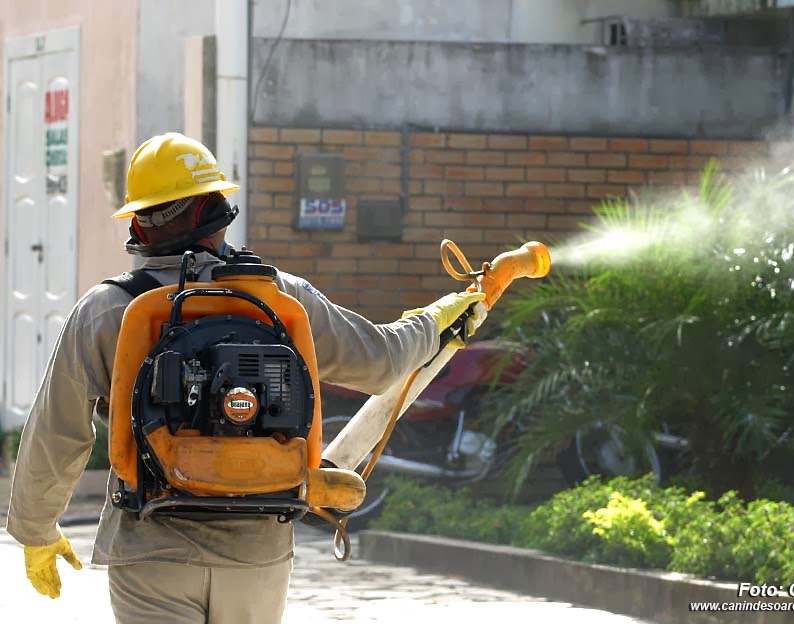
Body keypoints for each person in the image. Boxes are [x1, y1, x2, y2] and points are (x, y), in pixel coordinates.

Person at [5, 132, 485, 623]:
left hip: (151, 548)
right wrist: (438, 320)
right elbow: (383, 361)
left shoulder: (106, 311)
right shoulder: (280, 297)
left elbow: (57, 431)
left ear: (138, 225)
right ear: (216, 212)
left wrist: (36, 530)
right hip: (257, 549)